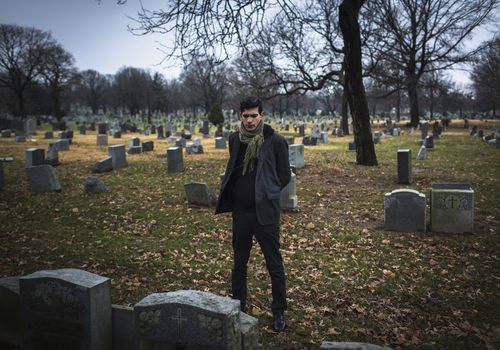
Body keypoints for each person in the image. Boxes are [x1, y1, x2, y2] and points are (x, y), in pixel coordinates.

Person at [215, 96, 291, 332]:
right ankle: (239, 306)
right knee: (239, 263)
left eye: (253, 115)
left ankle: (278, 311)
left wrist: (267, 192)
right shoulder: (235, 139)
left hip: (265, 213)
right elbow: (234, 170)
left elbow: (284, 175)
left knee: (274, 264)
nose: (249, 120)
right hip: (241, 213)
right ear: (241, 116)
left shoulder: (275, 141)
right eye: (245, 116)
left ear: (262, 115)